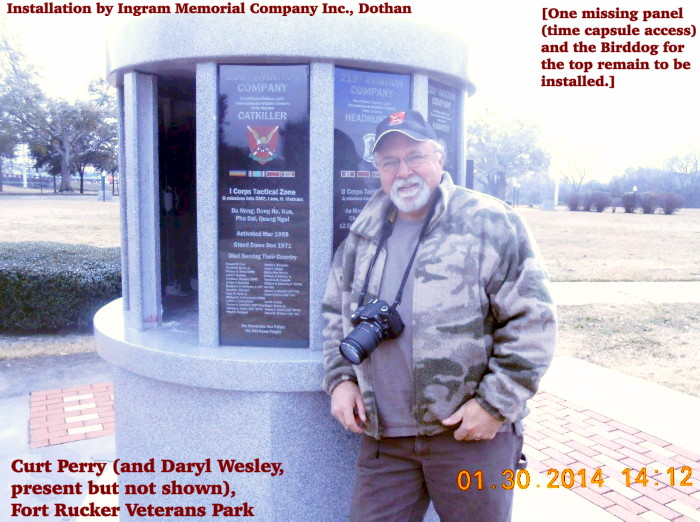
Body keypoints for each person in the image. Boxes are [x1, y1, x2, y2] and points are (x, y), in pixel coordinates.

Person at [322, 110, 557, 521]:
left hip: (470, 436)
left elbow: (532, 321)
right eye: (389, 162)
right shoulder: (363, 234)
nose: (403, 170)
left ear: (440, 158)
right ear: (377, 169)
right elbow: (334, 317)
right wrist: (340, 381)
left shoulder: (491, 223)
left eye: (415, 156)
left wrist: (496, 405)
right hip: (385, 440)